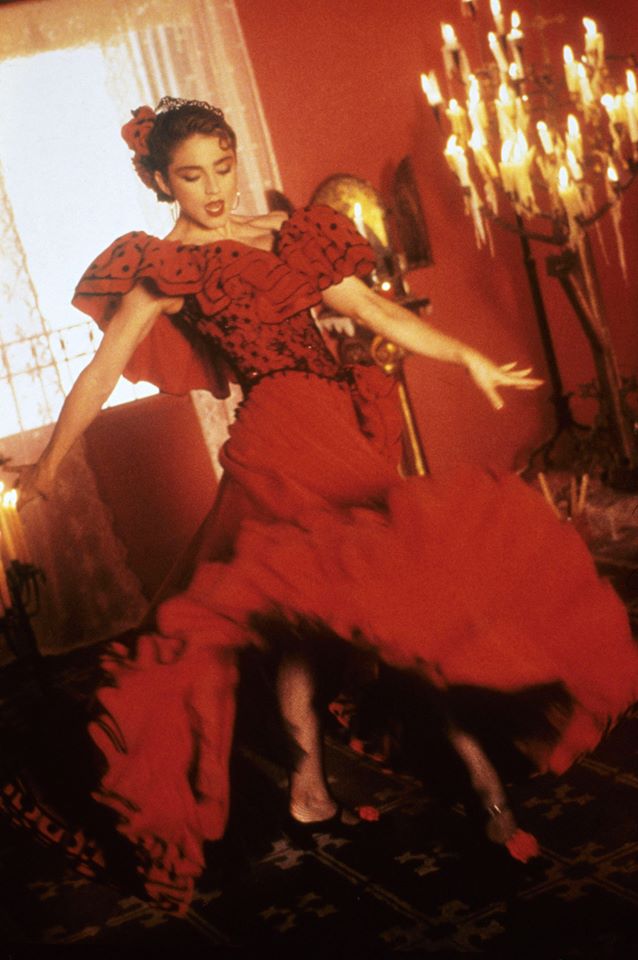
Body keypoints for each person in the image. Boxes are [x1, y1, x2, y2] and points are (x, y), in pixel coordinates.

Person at [13, 96, 638, 913]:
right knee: (377, 614)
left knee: (339, 621)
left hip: (341, 429)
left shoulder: (289, 233)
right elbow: (102, 373)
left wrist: (469, 358)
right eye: (192, 176)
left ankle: (311, 792)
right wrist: (50, 466)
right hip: (278, 442)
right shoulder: (168, 267)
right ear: (161, 181)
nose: (213, 189)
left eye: (223, 167)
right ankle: (488, 801)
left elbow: (372, 310)